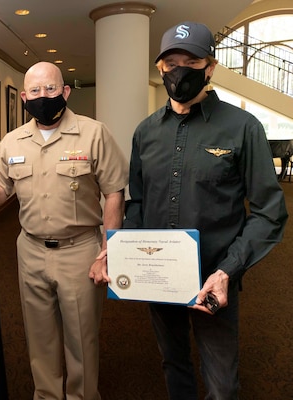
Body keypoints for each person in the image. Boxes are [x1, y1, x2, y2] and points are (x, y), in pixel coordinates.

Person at [123, 21, 288, 399]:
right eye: (170, 63)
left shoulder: (242, 128)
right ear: (160, 69)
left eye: (190, 61)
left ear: (209, 67)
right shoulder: (145, 133)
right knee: (173, 363)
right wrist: (122, 252)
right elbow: (139, 203)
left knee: (222, 383)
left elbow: (269, 212)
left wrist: (228, 271)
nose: (178, 71)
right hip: (158, 276)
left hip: (214, 277)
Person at [0, 61, 128, 400]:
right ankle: (46, 395)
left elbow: (114, 192)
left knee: (81, 338)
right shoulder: (13, 141)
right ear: (24, 96)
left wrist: (109, 251)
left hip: (80, 250)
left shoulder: (94, 133)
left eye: (50, 88)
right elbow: (3, 192)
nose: (43, 96)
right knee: (39, 336)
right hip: (29, 250)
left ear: (65, 91)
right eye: (35, 90)